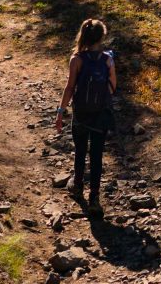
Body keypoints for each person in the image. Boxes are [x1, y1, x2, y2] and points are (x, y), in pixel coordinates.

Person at [54, 18, 117, 215]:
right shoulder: (108, 59)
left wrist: (61, 112)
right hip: (100, 114)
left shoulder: (77, 59)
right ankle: (95, 199)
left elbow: (70, 88)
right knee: (97, 155)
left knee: (80, 151)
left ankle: (78, 186)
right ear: (101, 37)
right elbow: (113, 86)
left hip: (80, 113)